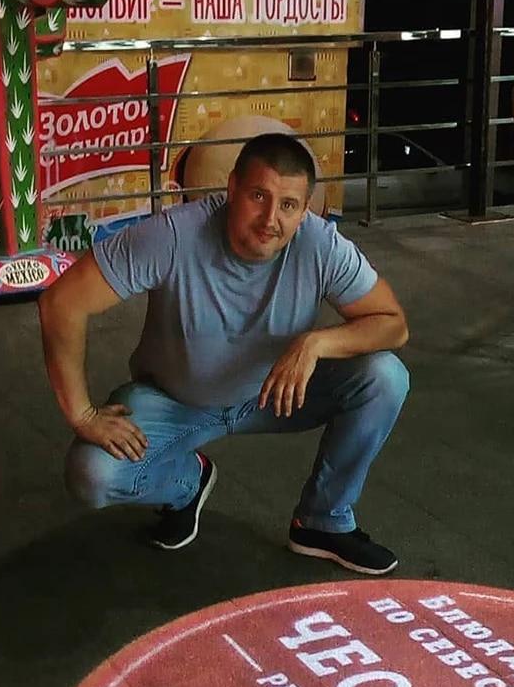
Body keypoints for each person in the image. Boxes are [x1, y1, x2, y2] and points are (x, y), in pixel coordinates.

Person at [38, 133, 409, 575]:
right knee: (92, 474)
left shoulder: (320, 244)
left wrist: (315, 343)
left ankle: (322, 521)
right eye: (258, 196)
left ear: (304, 209)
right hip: (177, 400)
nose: (271, 219)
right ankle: (186, 485)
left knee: (385, 376)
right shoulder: (173, 235)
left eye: (288, 205)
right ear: (232, 188)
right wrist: (82, 414)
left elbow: (393, 323)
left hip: (275, 395)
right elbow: (62, 303)